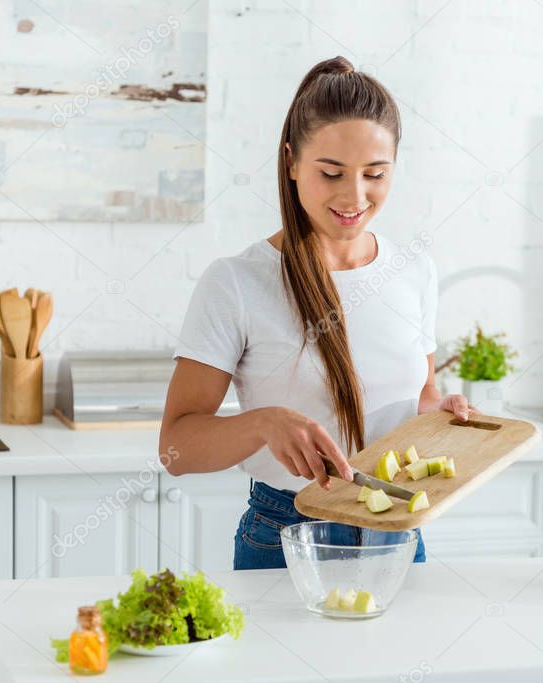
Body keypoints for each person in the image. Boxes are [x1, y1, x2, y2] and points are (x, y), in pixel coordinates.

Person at [160, 55, 471, 570]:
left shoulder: (414, 271)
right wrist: (263, 424)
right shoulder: (237, 282)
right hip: (286, 535)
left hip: (397, 530)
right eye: (331, 173)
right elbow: (176, 449)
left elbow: (420, 394)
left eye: (375, 174)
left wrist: (438, 416)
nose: (355, 196)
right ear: (290, 162)